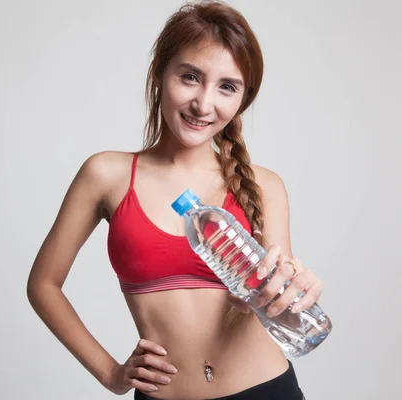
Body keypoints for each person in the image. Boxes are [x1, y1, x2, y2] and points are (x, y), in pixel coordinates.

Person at [27, 1, 324, 399]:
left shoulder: (264, 186)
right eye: (190, 77)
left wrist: (295, 291)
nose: (203, 104)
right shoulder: (107, 175)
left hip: (267, 390)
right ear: (159, 74)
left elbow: (283, 310)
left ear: (242, 99)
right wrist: (111, 374)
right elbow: (44, 284)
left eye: (227, 87)